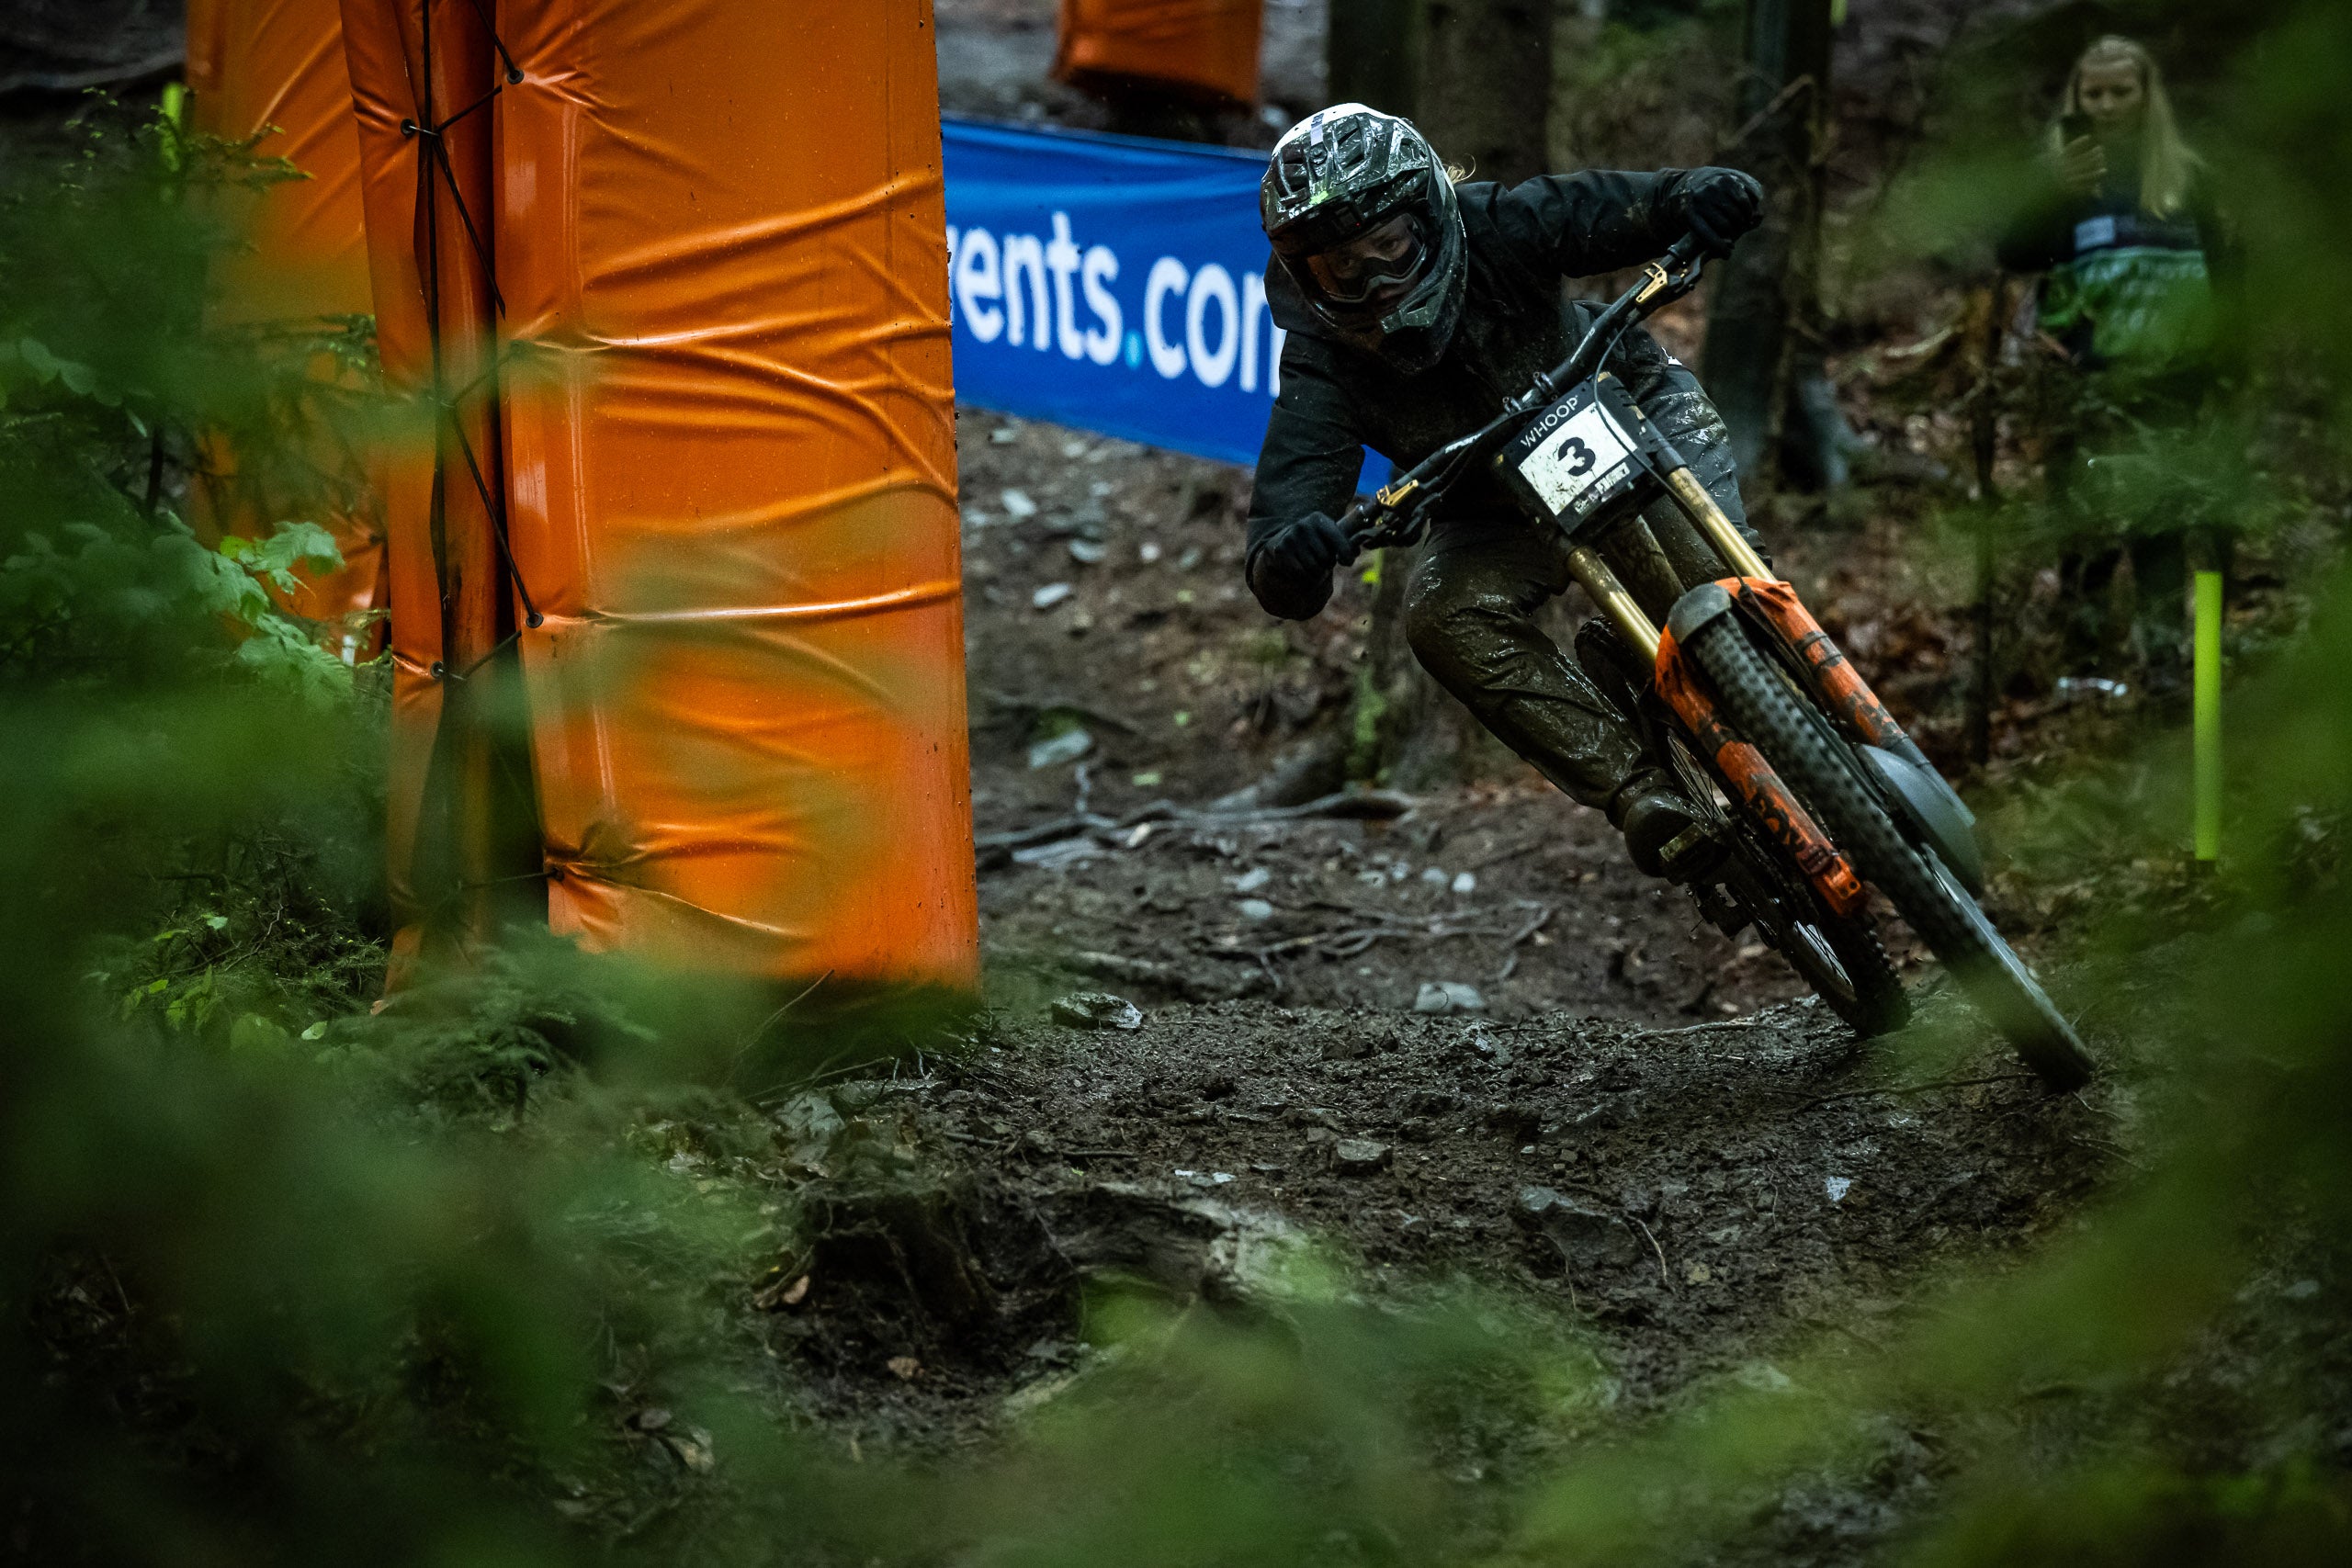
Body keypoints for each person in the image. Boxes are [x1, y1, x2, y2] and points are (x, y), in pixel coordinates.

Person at [1242, 103, 1765, 880]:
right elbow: (1288, 507)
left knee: (1713, 611)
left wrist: (1697, 194)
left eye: (1389, 246)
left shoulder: (1496, 226)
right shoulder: (1322, 358)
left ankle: (1784, 695)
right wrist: (1293, 555)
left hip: (1632, 407)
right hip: (1491, 508)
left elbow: (1602, 210)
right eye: (1342, 270)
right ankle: (1645, 794)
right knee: (1439, 614)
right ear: (1306, 277)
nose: (1378, 281)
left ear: (1428, 213)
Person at [1997, 35, 2229, 693]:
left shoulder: (2186, 177)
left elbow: (2225, 272)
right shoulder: (2069, 179)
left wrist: (2218, 361)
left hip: (2170, 380)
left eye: (2119, 92)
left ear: (2146, 95)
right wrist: (2053, 193)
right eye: (2091, 94)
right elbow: (2013, 252)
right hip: (2083, 381)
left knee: (2161, 525)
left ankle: (2164, 665)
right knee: (2086, 529)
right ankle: (2084, 669)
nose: (2105, 106)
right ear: (2077, 99)